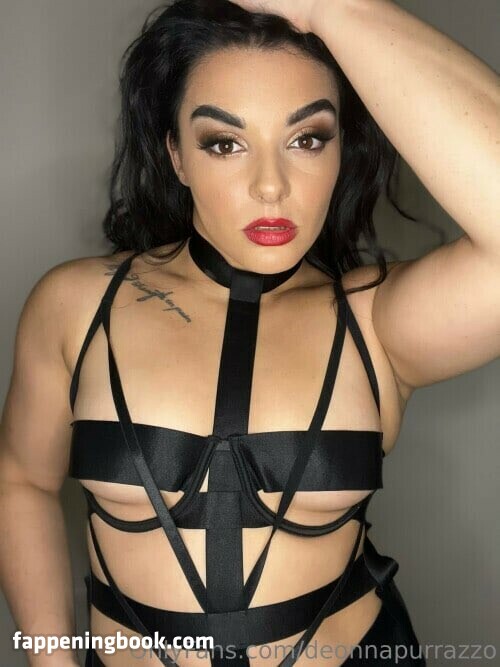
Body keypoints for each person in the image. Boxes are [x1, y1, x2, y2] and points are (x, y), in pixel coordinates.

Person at [0, 0, 498, 665]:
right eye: (224, 143)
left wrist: (329, 7)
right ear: (176, 154)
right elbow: (22, 480)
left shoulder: (378, 325)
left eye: (307, 138)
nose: (271, 186)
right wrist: (50, 657)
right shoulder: (76, 306)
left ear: (342, 150)